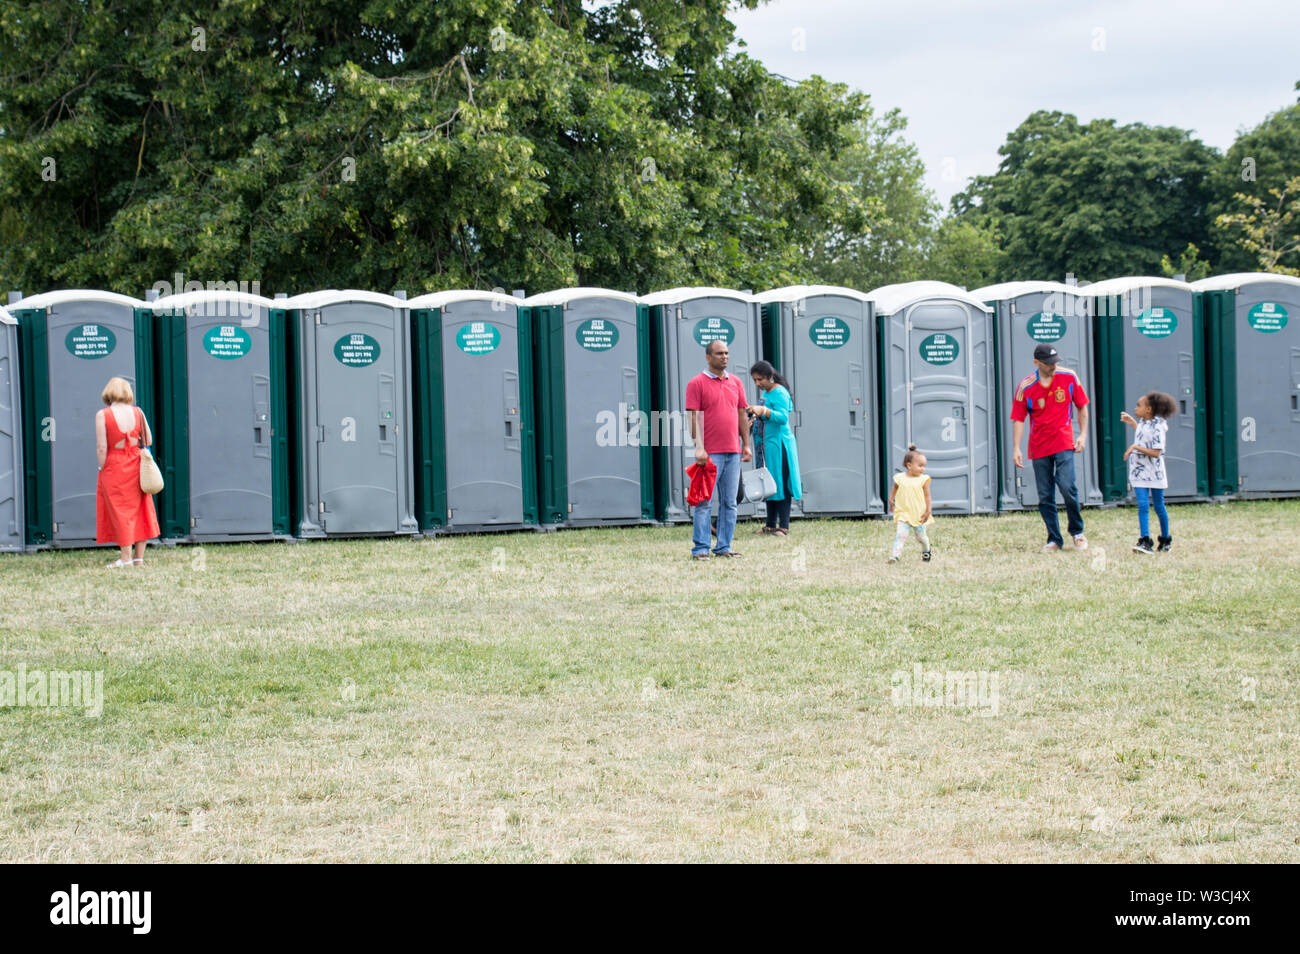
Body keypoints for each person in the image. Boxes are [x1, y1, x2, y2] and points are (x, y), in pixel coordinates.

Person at [1011, 343, 1090, 552]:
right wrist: (1016, 448)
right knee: (1045, 494)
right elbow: (1018, 418)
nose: (1053, 366)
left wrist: (1082, 435)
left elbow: (1082, 406)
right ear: (1037, 363)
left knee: (1067, 486)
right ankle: (1054, 539)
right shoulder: (1026, 386)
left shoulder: (1069, 377)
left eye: (1055, 362)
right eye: (1048, 363)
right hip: (1039, 445)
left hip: (1064, 441)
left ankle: (1077, 531)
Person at [686, 339, 753, 559]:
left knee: (730, 503)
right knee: (704, 502)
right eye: (719, 353)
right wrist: (699, 448)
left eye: (726, 353)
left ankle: (724, 547)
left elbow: (742, 413)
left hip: (733, 452)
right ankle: (701, 548)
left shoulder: (736, 382)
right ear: (708, 357)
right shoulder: (696, 383)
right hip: (710, 454)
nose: (724, 356)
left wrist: (746, 445)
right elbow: (693, 417)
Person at [95, 376, 160, 567]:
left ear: (109, 393)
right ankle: (138, 558)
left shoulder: (103, 415)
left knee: (121, 510)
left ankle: (125, 559)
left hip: (115, 465)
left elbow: (101, 447)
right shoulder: (138, 412)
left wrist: (102, 466)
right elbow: (148, 440)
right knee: (141, 510)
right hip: (137, 463)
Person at [747, 360, 802, 536]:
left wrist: (763, 411)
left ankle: (783, 526)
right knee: (768, 483)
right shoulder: (767, 391)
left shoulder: (780, 393)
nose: (757, 384)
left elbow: (782, 418)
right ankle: (770, 524)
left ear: (770, 377)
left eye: (760, 379)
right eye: (755, 380)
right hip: (767, 445)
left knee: (782, 483)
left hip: (780, 444)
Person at [1121, 391, 1176, 554]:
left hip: (1154, 473)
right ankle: (1145, 540)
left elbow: (1156, 452)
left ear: (1149, 409)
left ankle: (1165, 539)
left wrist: (1135, 447)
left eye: (1139, 406)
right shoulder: (1143, 423)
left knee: (1159, 506)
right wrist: (1132, 423)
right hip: (1139, 473)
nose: (1135, 409)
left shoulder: (1159, 427)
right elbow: (1145, 435)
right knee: (1143, 505)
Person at [888, 445, 933, 562]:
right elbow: (895, 487)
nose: (923, 469)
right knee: (900, 535)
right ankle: (895, 556)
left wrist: (928, 510)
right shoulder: (900, 478)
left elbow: (927, 496)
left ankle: (926, 550)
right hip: (904, 514)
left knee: (921, 537)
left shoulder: (923, 479)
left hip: (919, 514)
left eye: (924, 466)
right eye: (920, 466)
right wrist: (891, 499)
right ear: (909, 466)